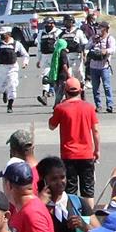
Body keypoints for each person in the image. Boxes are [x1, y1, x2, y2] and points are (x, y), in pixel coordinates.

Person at [47, 77, 99, 208]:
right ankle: (88, 220)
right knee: (88, 190)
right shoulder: (89, 107)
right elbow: (96, 131)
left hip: (68, 155)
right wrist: (97, 150)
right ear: (80, 90)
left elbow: (51, 126)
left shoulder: (61, 108)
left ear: (65, 91)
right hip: (86, 154)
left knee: (70, 189)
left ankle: (71, 219)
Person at [0, 28, 23, 113]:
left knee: (12, 85)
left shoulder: (16, 44)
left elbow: (25, 54)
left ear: (8, 34)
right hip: (1, 68)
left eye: (3, 34)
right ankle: (4, 92)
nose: (1, 36)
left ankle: (10, 106)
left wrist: (25, 62)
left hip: (12, 68)